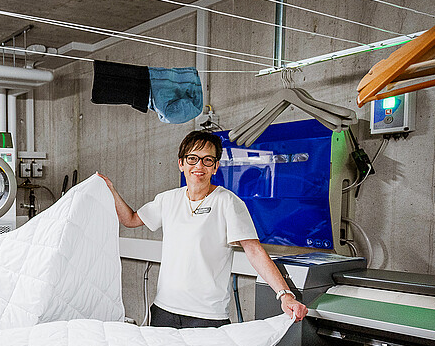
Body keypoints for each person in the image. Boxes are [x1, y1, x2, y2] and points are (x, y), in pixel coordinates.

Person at [99, 130, 307, 328]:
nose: (199, 165)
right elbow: (131, 219)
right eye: (192, 158)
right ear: (181, 163)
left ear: (215, 167)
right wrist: (110, 189)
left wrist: (285, 295)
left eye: (207, 160)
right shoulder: (168, 199)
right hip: (164, 311)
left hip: (207, 316)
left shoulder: (227, 202)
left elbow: (254, 250)